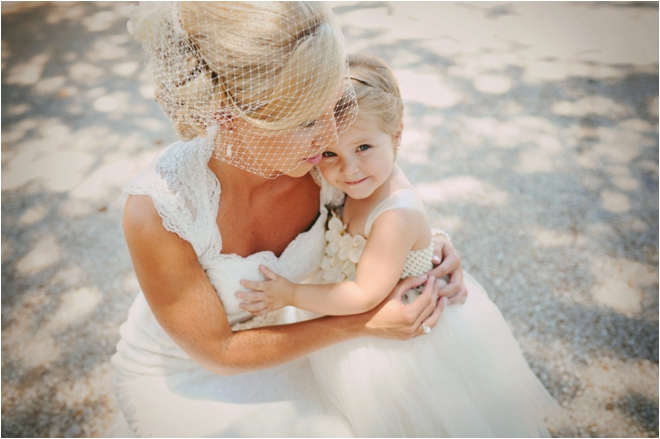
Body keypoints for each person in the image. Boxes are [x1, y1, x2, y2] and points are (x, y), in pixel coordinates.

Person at [111, 3, 466, 437]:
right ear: (227, 117)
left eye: (331, 105)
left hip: (299, 336)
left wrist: (426, 246)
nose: (330, 137)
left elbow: (392, 195)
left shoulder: (323, 158)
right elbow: (217, 351)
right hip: (191, 374)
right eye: (306, 122)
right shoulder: (160, 210)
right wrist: (359, 323)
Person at [238, 53, 564, 437]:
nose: (349, 169)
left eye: (363, 148)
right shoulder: (353, 179)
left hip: (397, 334)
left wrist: (290, 293)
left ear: (397, 136)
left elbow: (363, 294)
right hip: (349, 314)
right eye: (330, 153)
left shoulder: (395, 215)